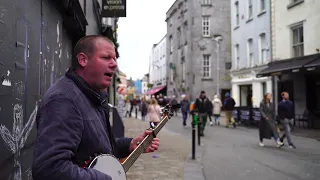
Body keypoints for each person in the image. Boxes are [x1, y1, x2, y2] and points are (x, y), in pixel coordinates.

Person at [32, 35, 160, 180]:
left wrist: (130, 144)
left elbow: (96, 148)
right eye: (106, 57)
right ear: (83, 60)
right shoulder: (64, 100)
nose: (114, 64)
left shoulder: (92, 96)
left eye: (114, 59)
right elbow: (49, 169)